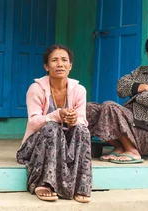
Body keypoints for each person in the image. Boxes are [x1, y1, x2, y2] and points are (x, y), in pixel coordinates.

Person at [87, 32, 148, 164]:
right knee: (90, 108)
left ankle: (132, 150)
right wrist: (142, 87)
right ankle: (119, 147)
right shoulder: (141, 71)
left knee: (110, 106)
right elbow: (120, 87)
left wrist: (134, 95)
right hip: (130, 123)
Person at [16, 44, 92, 203]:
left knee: (82, 129)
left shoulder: (79, 90)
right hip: (33, 149)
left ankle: (81, 186)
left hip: (65, 149)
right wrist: (57, 115)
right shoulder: (36, 89)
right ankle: (44, 183)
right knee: (52, 128)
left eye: (64, 60)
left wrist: (72, 120)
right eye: (54, 60)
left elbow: (82, 120)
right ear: (46, 66)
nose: (60, 64)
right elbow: (34, 122)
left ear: (70, 66)